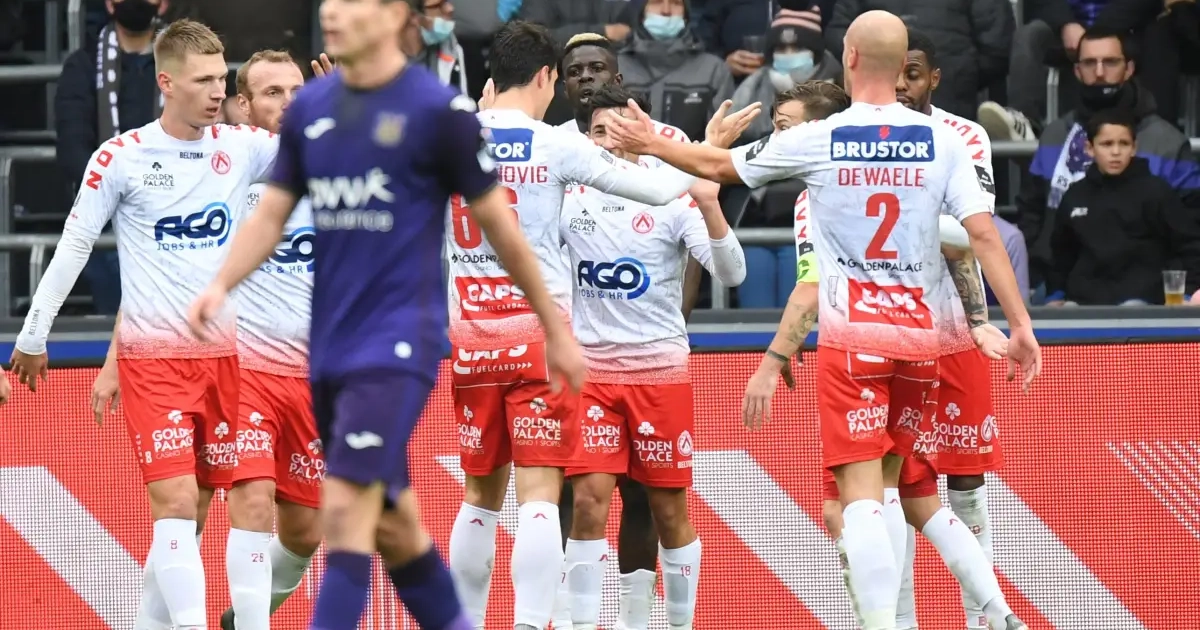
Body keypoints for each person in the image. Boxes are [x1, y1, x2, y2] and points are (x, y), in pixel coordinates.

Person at [601, 11, 1040, 628]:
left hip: (852, 343)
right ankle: (989, 613)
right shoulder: (944, 140)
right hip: (920, 344)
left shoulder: (824, 137)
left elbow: (721, 168)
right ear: (901, 65)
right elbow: (982, 235)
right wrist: (1019, 324)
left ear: (849, 59)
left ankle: (883, 624)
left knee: (860, 501)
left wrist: (651, 143)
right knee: (903, 490)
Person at [189, 4, 587, 630]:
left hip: (397, 344)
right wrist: (219, 286)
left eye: (352, 4)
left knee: (346, 515)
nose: (333, 13)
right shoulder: (313, 111)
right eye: (330, 5)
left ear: (395, 14)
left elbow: (501, 227)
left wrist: (555, 328)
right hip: (330, 350)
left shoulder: (439, 112)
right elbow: (270, 215)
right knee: (395, 530)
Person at [13, 19, 279, 630]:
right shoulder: (122, 157)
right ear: (166, 82)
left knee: (194, 515)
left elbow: (326, 153)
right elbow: (75, 244)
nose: (218, 91)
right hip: (153, 361)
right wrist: (33, 334)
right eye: (203, 80)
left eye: (222, 78)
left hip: (225, 361)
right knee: (177, 503)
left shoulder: (242, 146)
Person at [444, 21, 704, 630]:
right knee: (540, 494)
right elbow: (657, 189)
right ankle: (530, 622)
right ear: (546, 76)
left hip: (472, 340)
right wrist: (700, 148)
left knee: (478, 496)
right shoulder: (554, 144)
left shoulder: (448, 140)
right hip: (541, 342)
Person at [559, 83, 747, 630]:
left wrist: (709, 202)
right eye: (598, 132)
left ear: (643, 134)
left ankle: (670, 623)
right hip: (592, 375)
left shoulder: (673, 196)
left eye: (619, 129)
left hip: (659, 374)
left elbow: (733, 273)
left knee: (667, 510)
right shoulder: (568, 198)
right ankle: (582, 624)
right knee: (588, 502)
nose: (608, 141)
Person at [553, 30, 700, 630]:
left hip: (651, 355)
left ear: (617, 76)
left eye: (597, 68)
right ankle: (570, 615)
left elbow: (693, 233)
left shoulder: (663, 140)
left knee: (646, 496)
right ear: (561, 84)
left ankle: (637, 617)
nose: (586, 78)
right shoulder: (551, 146)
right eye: (575, 71)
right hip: (578, 356)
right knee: (575, 494)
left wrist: (676, 314)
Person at [205, 49, 319, 630]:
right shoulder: (223, 171)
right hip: (244, 369)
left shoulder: (336, 170)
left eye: (299, 91)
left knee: (305, 532)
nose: (290, 103)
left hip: (316, 378)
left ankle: (242, 617)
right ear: (242, 105)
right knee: (251, 500)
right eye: (274, 93)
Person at [1016, 27, 1200, 290]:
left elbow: (1191, 230)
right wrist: (1041, 278)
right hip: (1057, 289)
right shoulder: (1055, 134)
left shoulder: (1167, 142)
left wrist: (1183, 290)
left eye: (1111, 62)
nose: (1100, 72)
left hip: (1147, 293)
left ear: (1129, 68)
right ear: (1077, 71)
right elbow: (1031, 212)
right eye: (1090, 63)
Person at [56, 0, 171, 315]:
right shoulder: (82, 65)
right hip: (106, 210)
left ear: (163, 4)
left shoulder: (184, 63)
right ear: (109, 3)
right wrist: (118, 193)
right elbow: (73, 146)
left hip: (175, 205)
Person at [1048, 108, 1200, 306]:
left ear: (1134, 148)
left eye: (1124, 143)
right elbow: (1061, 255)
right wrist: (1055, 296)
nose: (1116, 152)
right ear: (1089, 148)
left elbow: (1190, 247)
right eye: (1107, 144)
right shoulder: (1075, 195)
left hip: (1144, 306)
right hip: (1082, 304)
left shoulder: (1157, 192)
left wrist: (1187, 294)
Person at [824, 0, 1015, 121]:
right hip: (884, 102)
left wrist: (958, 77)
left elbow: (997, 47)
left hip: (948, 98)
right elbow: (841, 34)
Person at [617, 0, 735, 142]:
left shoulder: (713, 70)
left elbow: (721, 140)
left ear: (686, 16)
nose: (666, 11)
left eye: (676, 3)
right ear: (641, 13)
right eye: (656, 2)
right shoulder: (615, 67)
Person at [730, 6, 842, 147]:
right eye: (781, 48)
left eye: (798, 48)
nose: (789, 55)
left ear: (817, 53)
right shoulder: (751, 90)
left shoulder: (840, 89)